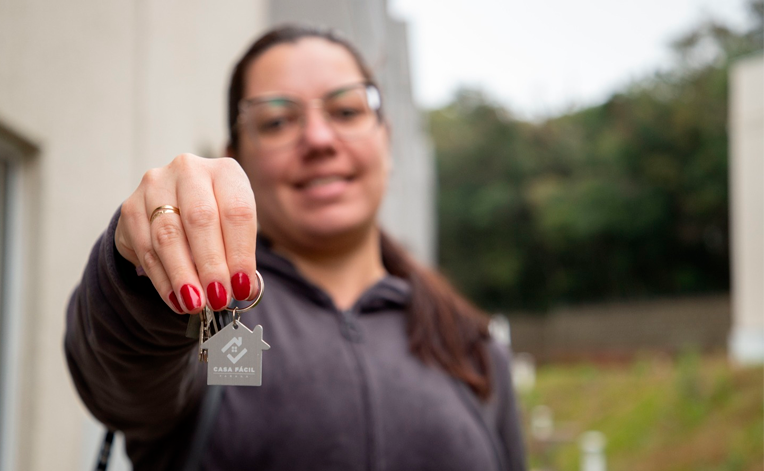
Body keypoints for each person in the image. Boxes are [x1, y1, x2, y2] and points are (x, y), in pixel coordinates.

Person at [65, 25, 527, 471]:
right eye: (278, 121)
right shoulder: (205, 320)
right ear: (236, 159)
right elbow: (121, 378)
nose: (319, 140)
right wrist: (138, 272)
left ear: (386, 139)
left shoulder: (472, 345)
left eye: (346, 111)